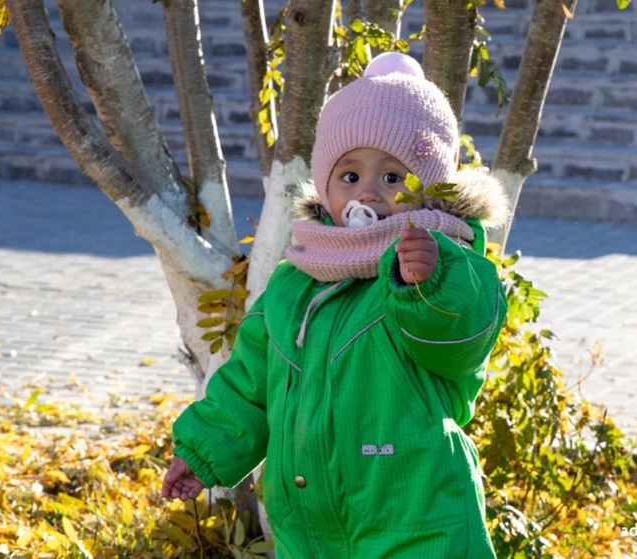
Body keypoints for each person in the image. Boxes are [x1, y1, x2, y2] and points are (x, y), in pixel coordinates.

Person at [163, 51, 509, 558]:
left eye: (393, 178)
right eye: (349, 176)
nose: (367, 190)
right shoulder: (295, 282)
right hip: (311, 531)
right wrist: (203, 451)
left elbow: (460, 340)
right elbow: (249, 386)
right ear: (325, 186)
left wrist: (428, 282)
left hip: (419, 518)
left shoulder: (441, 263)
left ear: (430, 188)